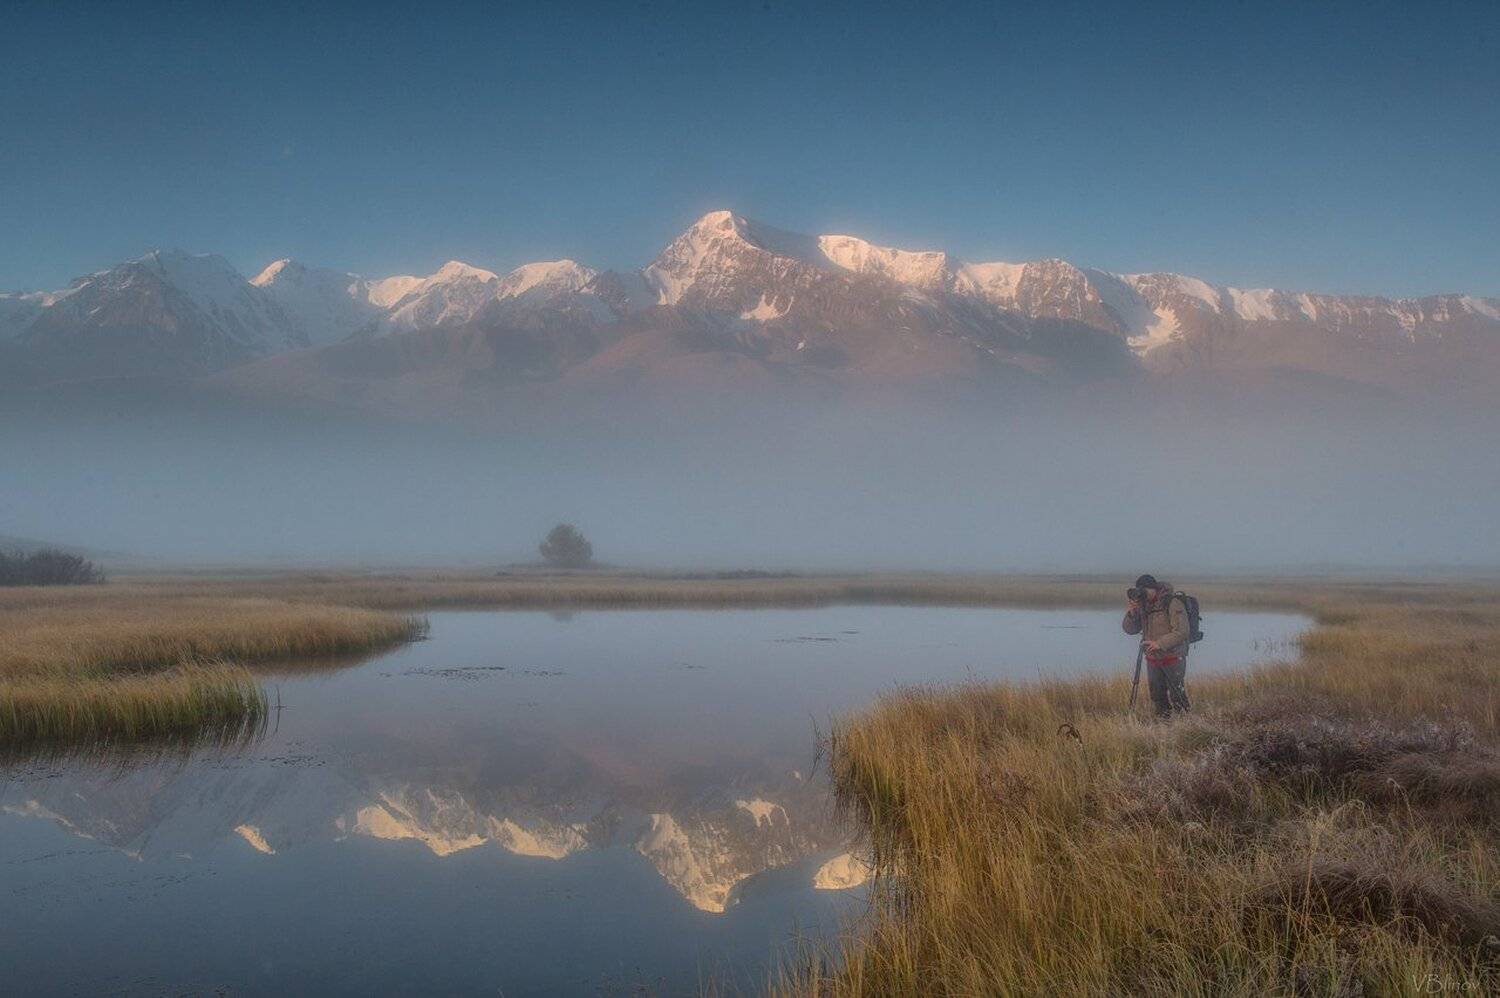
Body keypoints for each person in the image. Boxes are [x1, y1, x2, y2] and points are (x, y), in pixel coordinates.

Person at [1122, 573, 1191, 718]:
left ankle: (1186, 723)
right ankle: (1163, 724)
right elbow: (1130, 630)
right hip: (1153, 658)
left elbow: (1182, 631)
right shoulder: (1144, 605)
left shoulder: (1172, 602)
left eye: (1144, 591)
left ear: (1153, 588)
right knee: (1157, 696)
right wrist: (1132, 613)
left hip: (1173, 657)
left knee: (1177, 695)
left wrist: (1159, 644)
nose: (1142, 594)